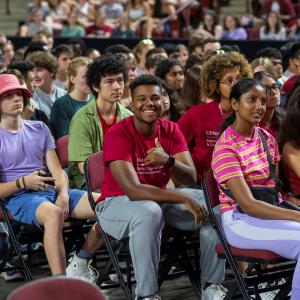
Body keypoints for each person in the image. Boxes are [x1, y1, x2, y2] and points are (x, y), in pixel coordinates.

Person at [95, 74, 226, 300]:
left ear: (163, 100)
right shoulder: (118, 133)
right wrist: (184, 199)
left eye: (155, 97)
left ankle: (211, 286)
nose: (149, 103)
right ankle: (146, 294)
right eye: (142, 98)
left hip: (159, 199)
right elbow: (133, 191)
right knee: (149, 211)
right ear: (132, 102)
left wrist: (168, 161)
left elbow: (189, 176)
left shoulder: (171, 129)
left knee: (215, 205)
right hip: (116, 204)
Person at [0, 74, 100, 280]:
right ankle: (60, 284)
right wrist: (23, 182)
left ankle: (81, 260)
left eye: (19, 93)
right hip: (19, 197)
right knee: (54, 215)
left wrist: (63, 194)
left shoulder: (39, 128)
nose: (16, 98)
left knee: (109, 204)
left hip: (52, 190)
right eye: (8, 95)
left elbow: (57, 171)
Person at [211, 78, 300, 300]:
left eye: (262, 100)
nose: (259, 106)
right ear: (234, 104)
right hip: (239, 221)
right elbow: (249, 205)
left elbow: (272, 191)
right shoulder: (226, 148)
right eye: (251, 100)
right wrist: (296, 215)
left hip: (268, 214)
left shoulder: (266, 138)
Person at [178, 51, 252, 182]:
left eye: (241, 79)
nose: (236, 84)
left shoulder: (252, 113)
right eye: (229, 80)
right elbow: (174, 145)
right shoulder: (197, 114)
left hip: (245, 183)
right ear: (216, 86)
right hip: (203, 186)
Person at [68, 55, 132, 189]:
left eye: (120, 80)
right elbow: (85, 168)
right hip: (90, 185)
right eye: (109, 81)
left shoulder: (129, 117)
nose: (117, 86)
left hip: (125, 180)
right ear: (96, 87)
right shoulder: (82, 119)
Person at [50, 56, 93, 140]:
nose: (90, 80)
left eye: (92, 76)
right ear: (72, 79)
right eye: (85, 77)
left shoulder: (96, 100)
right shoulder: (61, 105)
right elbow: (63, 141)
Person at [254, 71, 282, 140]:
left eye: (275, 87)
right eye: (266, 88)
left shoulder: (286, 120)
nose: (273, 92)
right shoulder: (251, 125)